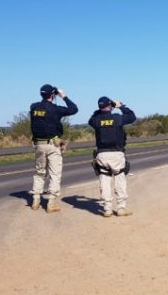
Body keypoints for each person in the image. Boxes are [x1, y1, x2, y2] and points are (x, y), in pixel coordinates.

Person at [29, 84, 78, 212]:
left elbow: (42, 113)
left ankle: (35, 200)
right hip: (53, 145)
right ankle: (51, 203)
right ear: (52, 95)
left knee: (40, 173)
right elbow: (74, 109)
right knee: (54, 174)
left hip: (39, 144)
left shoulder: (33, 107)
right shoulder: (55, 109)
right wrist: (63, 96)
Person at [89, 96, 136, 217]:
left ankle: (107, 209)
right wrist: (121, 106)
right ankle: (120, 208)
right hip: (117, 153)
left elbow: (91, 119)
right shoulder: (117, 118)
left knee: (104, 180)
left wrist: (101, 109)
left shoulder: (96, 120)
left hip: (102, 154)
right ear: (110, 106)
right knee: (119, 179)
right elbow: (132, 117)